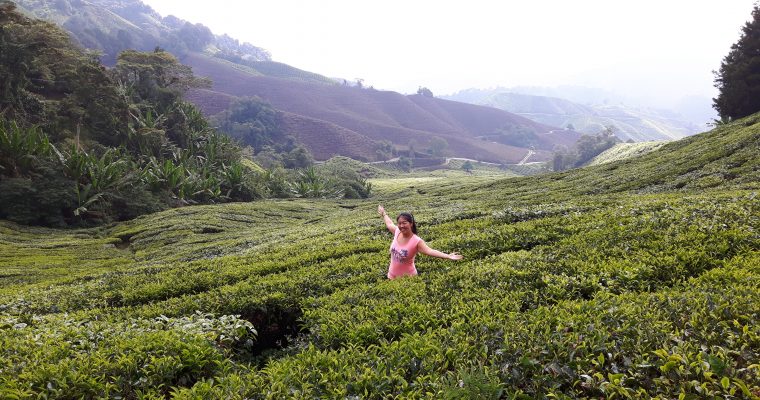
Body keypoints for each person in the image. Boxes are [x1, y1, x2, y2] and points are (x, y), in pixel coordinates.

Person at [377, 205, 462, 279]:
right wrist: (384, 213)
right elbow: (389, 224)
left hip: (408, 280)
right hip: (391, 276)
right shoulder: (397, 232)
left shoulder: (416, 241)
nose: (401, 226)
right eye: (399, 223)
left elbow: (430, 251)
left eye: (404, 223)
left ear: (411, 224)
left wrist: (447, 256)